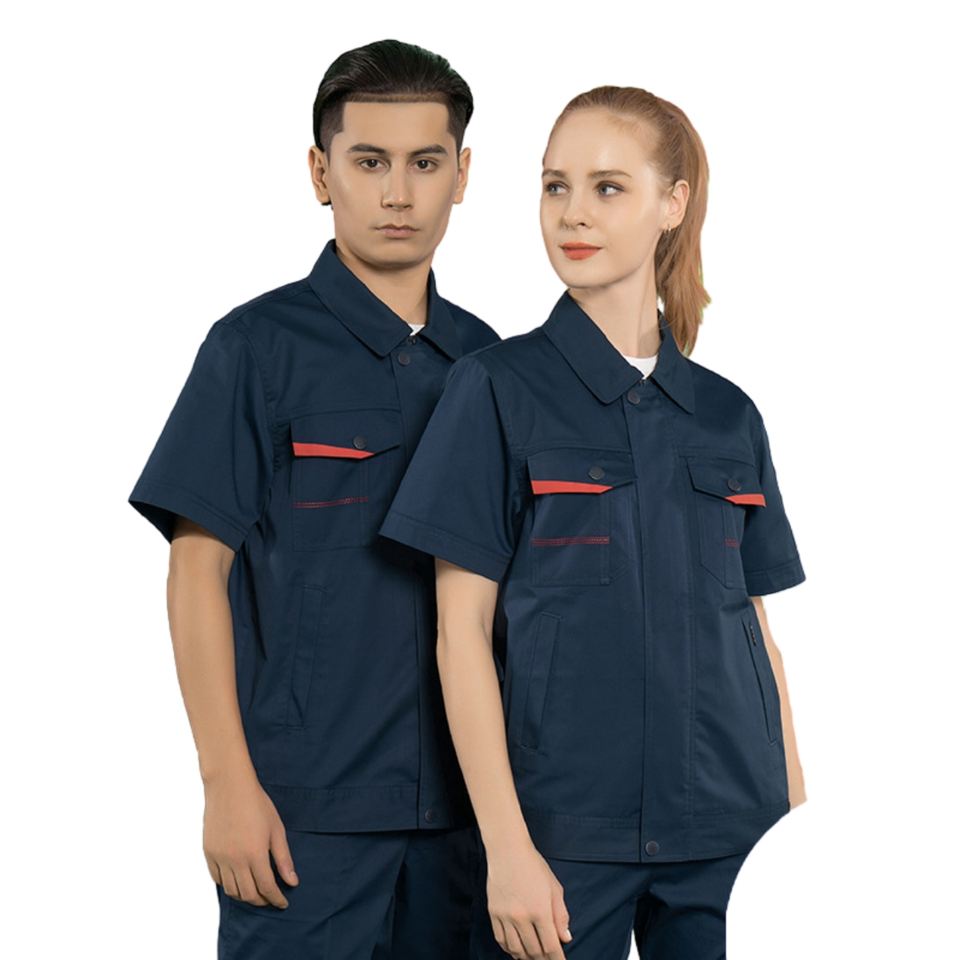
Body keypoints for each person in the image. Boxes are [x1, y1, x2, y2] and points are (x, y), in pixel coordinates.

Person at [378, 85, 807, 960]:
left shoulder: (728, 415)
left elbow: (756, 633)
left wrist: (796, 821)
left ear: (672, 204)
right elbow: (460, 637)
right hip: (563, 835)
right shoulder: (495, 389)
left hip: (732, 828)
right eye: (554, 186)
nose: (572, 213)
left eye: (607, 187)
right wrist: (506, 848)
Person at [128, 38, 500, 959]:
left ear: (462, 175)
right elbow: (196, 573)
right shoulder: (254, 349)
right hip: (304, 819)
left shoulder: (489, 364)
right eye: (369, 162)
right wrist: (226, 783)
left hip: (469, 821)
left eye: (425, 163)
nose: (397, 194)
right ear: (320, 172)